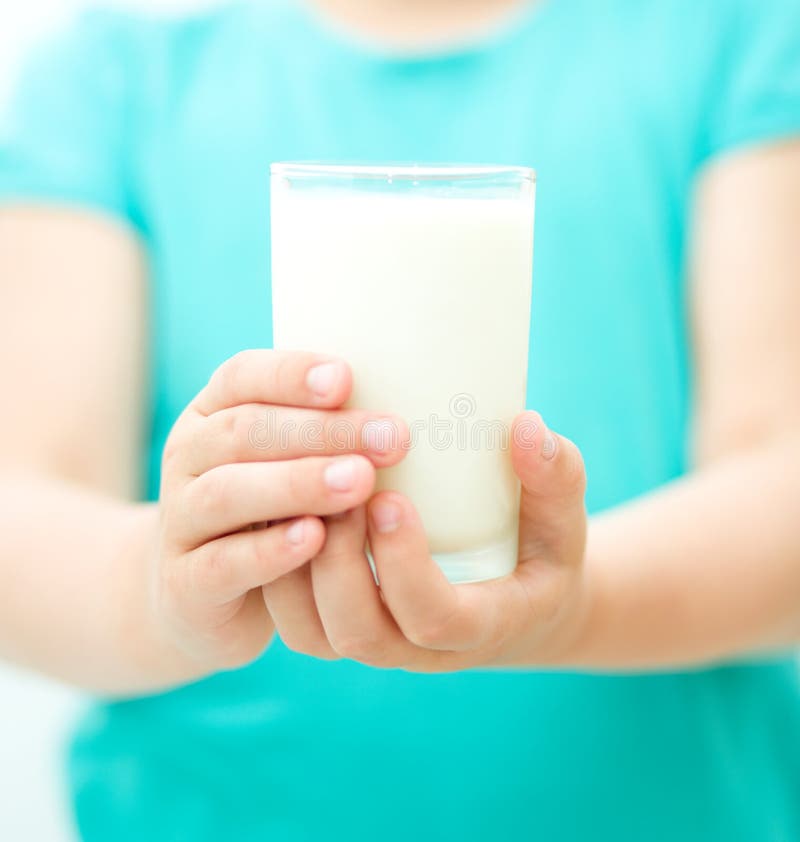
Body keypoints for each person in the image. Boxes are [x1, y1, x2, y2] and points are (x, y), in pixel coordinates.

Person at [1, 0, 799, 839]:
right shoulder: (111, 81)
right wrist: (161, 589)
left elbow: (781, 469)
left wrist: (581, 604)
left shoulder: (733, 33)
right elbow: (22, 501)